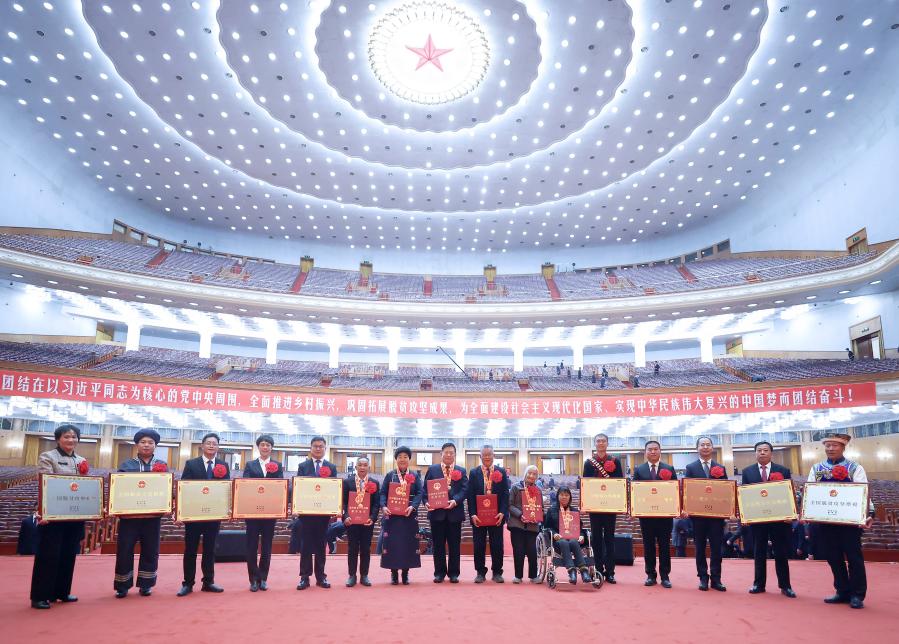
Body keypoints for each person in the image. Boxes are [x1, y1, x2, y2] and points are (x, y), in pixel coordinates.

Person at [809, 432, 875, 609]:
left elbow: (864, 492)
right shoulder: (816, 468)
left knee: (854, 557)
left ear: (843, 447)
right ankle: (842, 590)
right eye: (827, 445)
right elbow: (810, 493)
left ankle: (857, 594)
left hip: (849, 523)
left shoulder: (855, 468)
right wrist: (806, 512)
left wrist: (870, 514)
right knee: (833, 557)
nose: (830, 448)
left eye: (835, 445)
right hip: (826, 522)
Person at [29, 424, 88, 609]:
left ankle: (62, 592)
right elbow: (45, 484)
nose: (71, 440)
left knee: (69, 554)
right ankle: (40, 596)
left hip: (74, 514)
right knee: (48, 555)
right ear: (58, 439)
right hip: (53, 513)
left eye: (74, 437)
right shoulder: (48, 457)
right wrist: (44, 511)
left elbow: (85, 486)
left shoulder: (81, 460)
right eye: (66, 437)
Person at [114, 429, 167, 599]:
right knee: (125, 550)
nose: (146, 445)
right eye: (143, 442)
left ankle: (146, 584)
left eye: (150, 442)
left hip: (152, 517)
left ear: (155, 446)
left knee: (151, 550)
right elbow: (119, 489)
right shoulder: (126, 465)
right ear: (137, 444)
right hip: (129, 518)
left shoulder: (161, 465)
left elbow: (166, 490)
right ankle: (122, 585)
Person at [177, 432, 230, 597]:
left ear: (218, 447)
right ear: (202, 445)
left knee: (210, 550)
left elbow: (226, 489)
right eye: (208, 443)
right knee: (190, 550)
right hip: (194, 515)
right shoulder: (191, 464)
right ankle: (188, 583)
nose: (211, 445)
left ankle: (208, 581)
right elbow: (184, 488)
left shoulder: (223, 465)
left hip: (213, 515)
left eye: (214, 443)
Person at [741, 441, 796, 598]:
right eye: (759, 450)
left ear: (771, 453)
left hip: (778, 519)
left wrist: (790, 514)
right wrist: (746, 515)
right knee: (759, 551)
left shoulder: (783, 470)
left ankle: (785, 586)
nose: (762, 453)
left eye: (765, 450)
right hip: (758, 519)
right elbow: (745, 495)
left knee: (780, 552)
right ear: (755, 453)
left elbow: (788, 493)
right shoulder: (747, 471)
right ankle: (759, 584)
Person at [683, 436, 727, 592]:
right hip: (698, 517)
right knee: (700, 548)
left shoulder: (720, 468)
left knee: (716, 548)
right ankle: (703, 577)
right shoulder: (691, 467)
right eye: (702, 445)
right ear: (697, 448)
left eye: (708, 444)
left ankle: (716, 578)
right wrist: (686, 508)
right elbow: (687, 490)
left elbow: (726, 491)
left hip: (716, 517)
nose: (705, 447)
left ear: (712, 448)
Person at [422, 442, 468, 583]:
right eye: (446, 452)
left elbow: (465, 489)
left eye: (451, 452)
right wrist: (426, 502)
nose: (448, 455)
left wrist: (456, 500)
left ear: (455, 454)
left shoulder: (461, 470)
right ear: (441, 454)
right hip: (437, 514)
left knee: (454, 545)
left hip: (455, 513)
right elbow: (425, 489)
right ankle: (439, 573)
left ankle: (454, 573)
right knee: (438, 545)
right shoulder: (433, 469)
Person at [242, 434, 283, 592]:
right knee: (251, 546)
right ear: (258, 447)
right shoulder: (250, 465)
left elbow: (280, 487)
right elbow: (245, 485)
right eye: (262, 444)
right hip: (253, 513)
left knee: (267, 547)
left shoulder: (277, 465)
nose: (265, 447)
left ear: (272, 448)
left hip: (270, 513)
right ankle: (253, 579)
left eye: (268, 445)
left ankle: (263, 578)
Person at [633, 440, 676, 588]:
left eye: (655, 449)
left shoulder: (669, 468)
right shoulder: (639, 470)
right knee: (648, 546)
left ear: (660, 451)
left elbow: (674, 491)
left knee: (665, 546)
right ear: (645, 452)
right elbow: (635, 491)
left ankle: (665, 576)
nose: (653, 452)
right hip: (646, 516)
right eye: (650, 449)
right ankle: (650, 575)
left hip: (664, 516)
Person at [296, 435, 337, 590]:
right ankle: (304, 577)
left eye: (321, 446)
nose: (318, 449)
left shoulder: (331, 467)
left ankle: (321, 577)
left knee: (321, 545)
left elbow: (334, 489)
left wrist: (334, 508)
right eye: (315, 446)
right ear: (311, 448)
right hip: (306, 513)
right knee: (305, 546)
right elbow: (299, 487)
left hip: (323, 514)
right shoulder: (303, 466)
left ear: (325, 448)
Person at [582, 433, 623, 583]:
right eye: (598, 441)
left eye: (603, 441)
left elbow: (619, 483)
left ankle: (610, 572)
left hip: (610, 506)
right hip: (595, 506)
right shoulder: (589, 463)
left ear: (607, 443)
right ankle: (598, 570)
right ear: (595, 444)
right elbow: (586, 484)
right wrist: (586, 504)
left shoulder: (615, 461)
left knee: (610, 539)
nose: (600, 443)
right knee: (597, 540)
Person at [380, 446, 423, 585]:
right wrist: (384, 506)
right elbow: (383, 493)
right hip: (392, 517)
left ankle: (405, 573)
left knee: (408, 545)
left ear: (409, 459)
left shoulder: (415, 476)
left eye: (405, 457)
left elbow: (420, 493)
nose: (402, 459)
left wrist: (413, 506)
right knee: (392, 545)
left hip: (409, 516)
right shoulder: (390, 475)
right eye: (400, 457)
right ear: (396, 459)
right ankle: (393, 574)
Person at [468, 444, 510, 583]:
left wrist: (502, 512)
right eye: (484, 455)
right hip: (479, 516)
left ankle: (497, 572)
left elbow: (505, 494)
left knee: (497, 545)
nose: (487, 457)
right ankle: (480, 572)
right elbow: (470, 495)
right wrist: (473, 514)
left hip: (496, 515)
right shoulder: (474, 472)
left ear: (494, 456)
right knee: (479, 545)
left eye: (489, 454)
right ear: (480, 456)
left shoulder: (501, 471)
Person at [342, 456, 379, 587]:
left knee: (365, 549)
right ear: (356, 467)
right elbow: (343, 502)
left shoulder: (374, 482)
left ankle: (364, 575)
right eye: (360, 465)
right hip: (351, 522)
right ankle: (352, 575)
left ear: (369, 467)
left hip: (367, 522)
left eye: (365, 465)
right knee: (352, 548)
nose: (362, 467)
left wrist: (372, 518)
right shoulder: (348, 482)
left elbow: (376, 504)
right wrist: (345, 516)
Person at [545, 487, 591, 584]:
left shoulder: (574, 511)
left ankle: (584, 570)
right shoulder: (551, 510)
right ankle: (571, 570)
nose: (564, 497)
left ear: (570, 497)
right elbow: (547, 527)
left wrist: (581, 535)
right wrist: (554, 534)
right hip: (558, 540)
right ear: (557, 496)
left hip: (573, 539)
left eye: (566, 495)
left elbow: (580, 528)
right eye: (562, 495)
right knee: (564, 542)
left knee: (574, 541)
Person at [507, 465, 543, 583]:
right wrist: (520, 515)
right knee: (518, 551)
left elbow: (541, 508)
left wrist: (537, 516)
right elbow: (510, 505)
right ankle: (518, 576)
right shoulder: (515, 487)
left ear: (537, 477)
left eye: (534, 474)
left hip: (532, 526)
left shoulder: (538, 490)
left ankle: (533, 576)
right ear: (525, 474)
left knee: (532, 552)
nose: (531, 476)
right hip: (517, 524)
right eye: (530, 473)